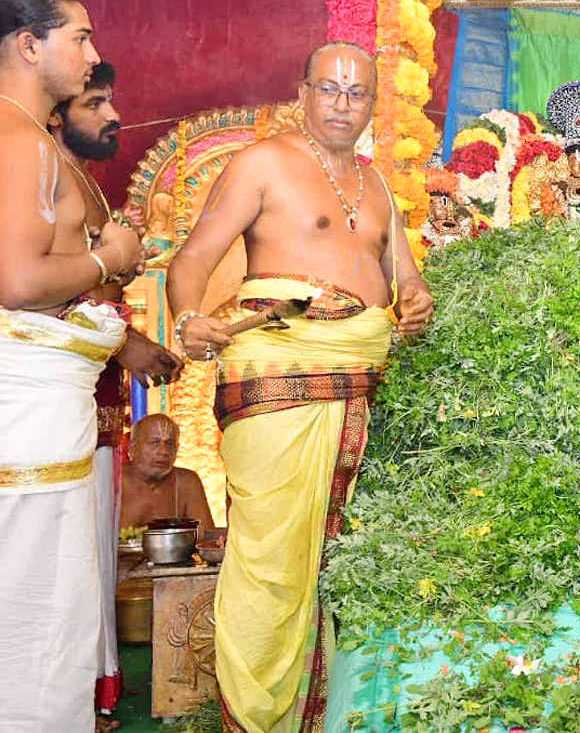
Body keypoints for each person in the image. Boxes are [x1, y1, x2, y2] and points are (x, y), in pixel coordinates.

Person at [166, 41, 434, 732]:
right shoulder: (265, 163)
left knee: (335, 563)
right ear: (304, 92)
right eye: (332, 89)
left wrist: (415, 302)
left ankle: (319, 715)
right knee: (271, 564)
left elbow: (407, 279)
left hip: (361, 387)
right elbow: (193, 258)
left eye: (358, 94)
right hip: (280, 376)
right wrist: (190, 317)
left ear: (374, 104)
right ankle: (256, 721)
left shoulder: (378, 186)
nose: (344, 105)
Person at [0, 0, 145, 731]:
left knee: (46, 616)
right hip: (26, 424)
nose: (94, 55)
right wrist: (111, 256)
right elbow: (19, 281)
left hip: (41, 416)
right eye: (80, 38)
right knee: (36, 619)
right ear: (31, 44)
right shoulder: (18, 137)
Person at [47, 60, 184, 723]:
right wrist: (122, 339)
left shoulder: (73, 177)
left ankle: (88, 698)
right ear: (55, 109)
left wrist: (123, 345)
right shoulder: (36, 174)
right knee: (59, 563)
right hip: (46, 401)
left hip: (90, 402)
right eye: (94, 103)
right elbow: (33, 292)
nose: (113, 117)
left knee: (86, 561)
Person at [120, 413, 214, 536]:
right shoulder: (115, 481)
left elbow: (206, 536)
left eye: (170, 443)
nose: (164, 451)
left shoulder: (186, 482)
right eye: (154, 443)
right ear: (132, 448)